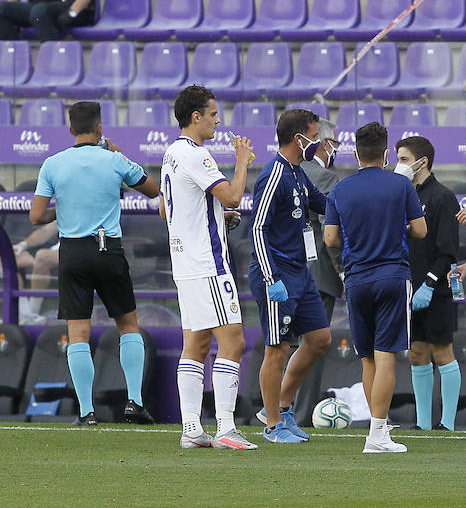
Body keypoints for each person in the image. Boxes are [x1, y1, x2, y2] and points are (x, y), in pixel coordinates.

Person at [29, 101, 162, 426]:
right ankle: (135, 403)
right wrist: (122, 155)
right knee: (128, 326)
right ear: (99, 128)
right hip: (107, 248)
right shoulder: (114, 160)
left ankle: (86, 412)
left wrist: (64, 209)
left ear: (71, 129)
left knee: (78, 332)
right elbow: (154, 190)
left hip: (72, 253)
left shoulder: (53, 163)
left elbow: (36, 216)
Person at [161, 85, 257, 450]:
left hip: (184, 263)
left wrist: (215, 216)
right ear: (196, 116)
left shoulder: (171, 153)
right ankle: (226, 428)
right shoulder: (197, 155)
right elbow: (232, 195)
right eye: (213, 114)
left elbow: (166, 207)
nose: (218, 121)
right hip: (208, 262)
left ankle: (190, 429)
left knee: (197, 344)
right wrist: (242, 159)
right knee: (233, 342)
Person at [323, 122, 427, 454]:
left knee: (367, 359)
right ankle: (378, 434)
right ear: (385, 154)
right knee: (386, 358)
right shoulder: (400, 185)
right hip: (392, 276)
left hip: (356, 279)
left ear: (355, 154)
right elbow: (421, 230)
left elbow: (329, 239)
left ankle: (375, 432)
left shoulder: (340, 189)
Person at [249, 109, 332, 444]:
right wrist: (271, 278)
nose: (319, 142)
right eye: (314, 135)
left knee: (320, 338)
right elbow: (257, 228)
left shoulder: (298, 173)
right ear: (299, 138)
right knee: (277, 349)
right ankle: (271, 424)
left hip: (301, 271)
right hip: (278, 274)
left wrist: (360, 197)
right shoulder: (274, 175)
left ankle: (282, 406)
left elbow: (324, 203)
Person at [397, 135, 466, 432]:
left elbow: (448, 250)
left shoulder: (442, 197)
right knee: (417, 352)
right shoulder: (402, 195)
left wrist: (428, 284)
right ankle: (423, 423)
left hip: (435, 291)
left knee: (442, 350)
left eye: (402, 159)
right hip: (409, 290)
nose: (397, 165)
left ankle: (447, 423)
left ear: (421, 162)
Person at [300, 119, 346, 323]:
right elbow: (330, 230)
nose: (336, 150)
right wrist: (343, 270)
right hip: (319, 274)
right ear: (325, 144)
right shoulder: (325, 177)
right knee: (313, 345)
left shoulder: (289, 170)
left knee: (292, 346)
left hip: (289, 273)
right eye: (336, 144)